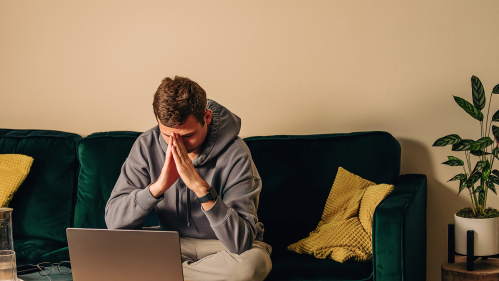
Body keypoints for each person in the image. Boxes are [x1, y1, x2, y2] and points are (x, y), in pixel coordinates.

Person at [105, 76, 272, 281]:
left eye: (187, 135)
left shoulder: (236, 153)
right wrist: (157, 187)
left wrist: (201, 188)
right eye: (168, 135)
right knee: (106, 251)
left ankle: (159, 274)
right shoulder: (145, 145)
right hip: (171, 242)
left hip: (222, 247)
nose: (178, 145)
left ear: (207, 117)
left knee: (253, 266)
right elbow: (113, 222)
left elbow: (240, 242)